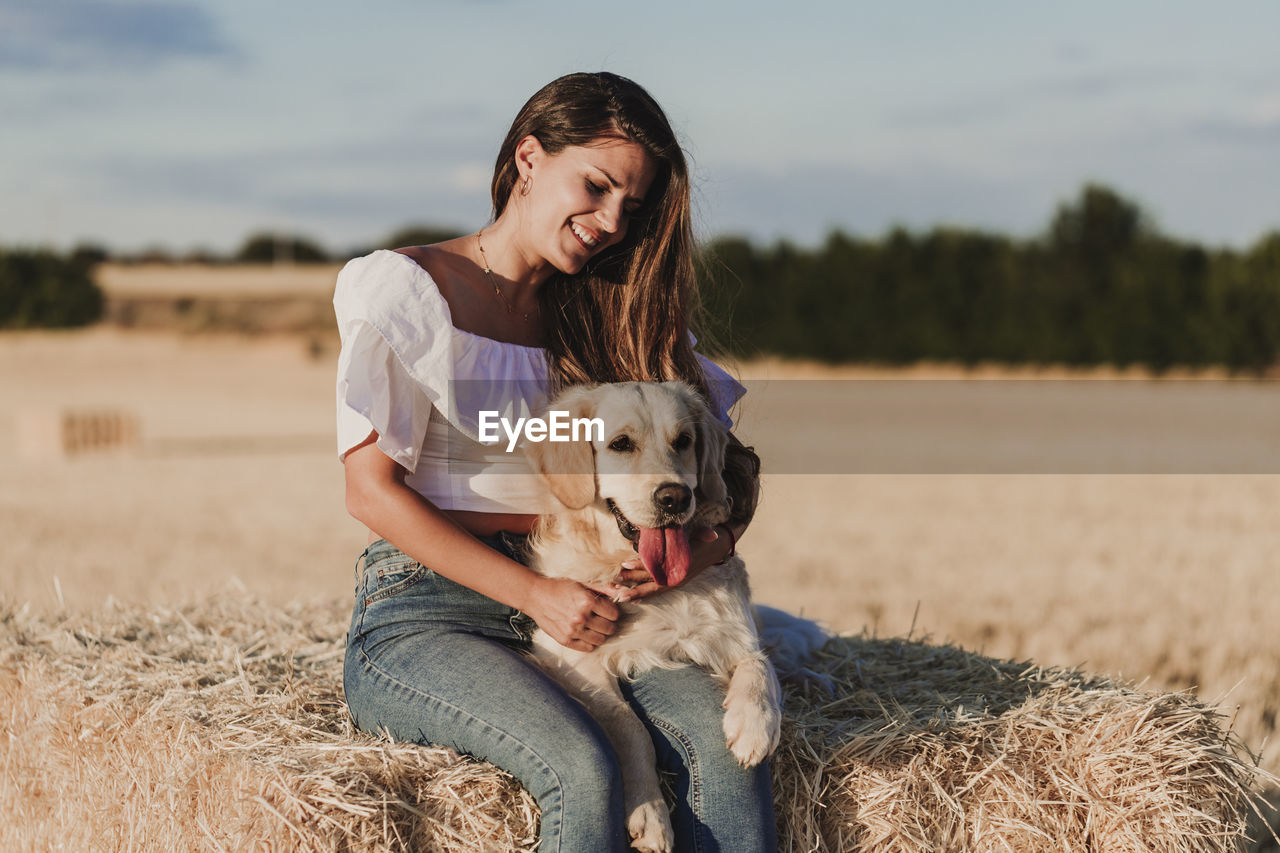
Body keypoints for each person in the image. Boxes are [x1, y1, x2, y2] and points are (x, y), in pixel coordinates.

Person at [335, 71, 772, 852]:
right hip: (434, 605)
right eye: (596, 186)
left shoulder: (612, 310)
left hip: (606, 599)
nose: (610, 221)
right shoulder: (410, 290)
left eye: (630, 208)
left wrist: (694, 553)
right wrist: (535, 593)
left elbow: (730, 476)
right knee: (583, 766)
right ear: (529, 158)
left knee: (727, 752)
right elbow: (369, 492)